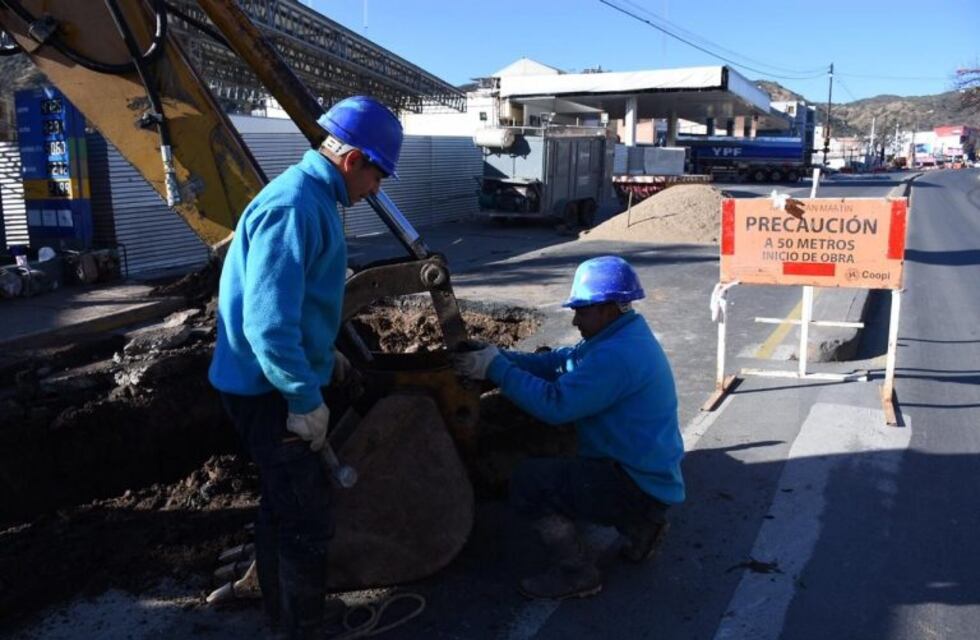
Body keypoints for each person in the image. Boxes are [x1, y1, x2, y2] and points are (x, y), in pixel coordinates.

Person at [209, 96, 402, 638]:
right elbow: (269, 326)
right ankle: (302, 628)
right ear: (353, 159)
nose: (376, 189)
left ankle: (283, 616)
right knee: (305, 519)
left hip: (269, 381)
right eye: (378, 175)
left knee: (282, 506)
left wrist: (323, 355)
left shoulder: (311, 198)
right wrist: (303, 399)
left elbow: (296, 305)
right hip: (268, 391)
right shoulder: (295, 207)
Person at [452, 255, 684, 600]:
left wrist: (497, 370)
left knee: (529, 481)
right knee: (565, 457)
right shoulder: (623, 334)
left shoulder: (616, 356)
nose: (575, 320)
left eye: (581, 311)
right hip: (648, 476)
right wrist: (498, 356)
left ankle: (576, 572)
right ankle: (642, 526)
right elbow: (560, 361)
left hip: (634, 482)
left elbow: (556, 406)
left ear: (607, 309)